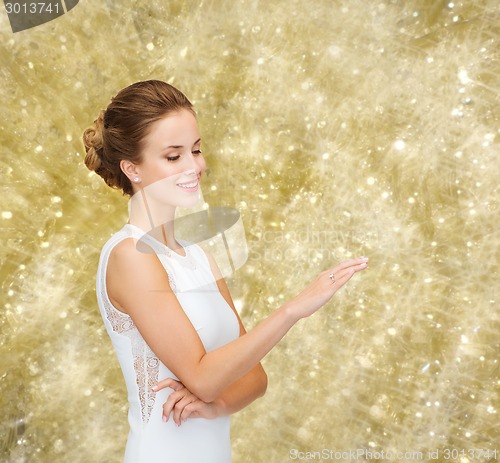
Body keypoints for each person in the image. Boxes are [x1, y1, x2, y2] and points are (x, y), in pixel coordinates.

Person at [82, 79, 368, 463]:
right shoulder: (130, 255)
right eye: (173, 156)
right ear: (132, 168)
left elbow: (254, 378)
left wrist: (215, 405)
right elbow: (202, 376)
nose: (194, 166)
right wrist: (292, 310)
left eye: (196, 150)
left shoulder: (200, 257)